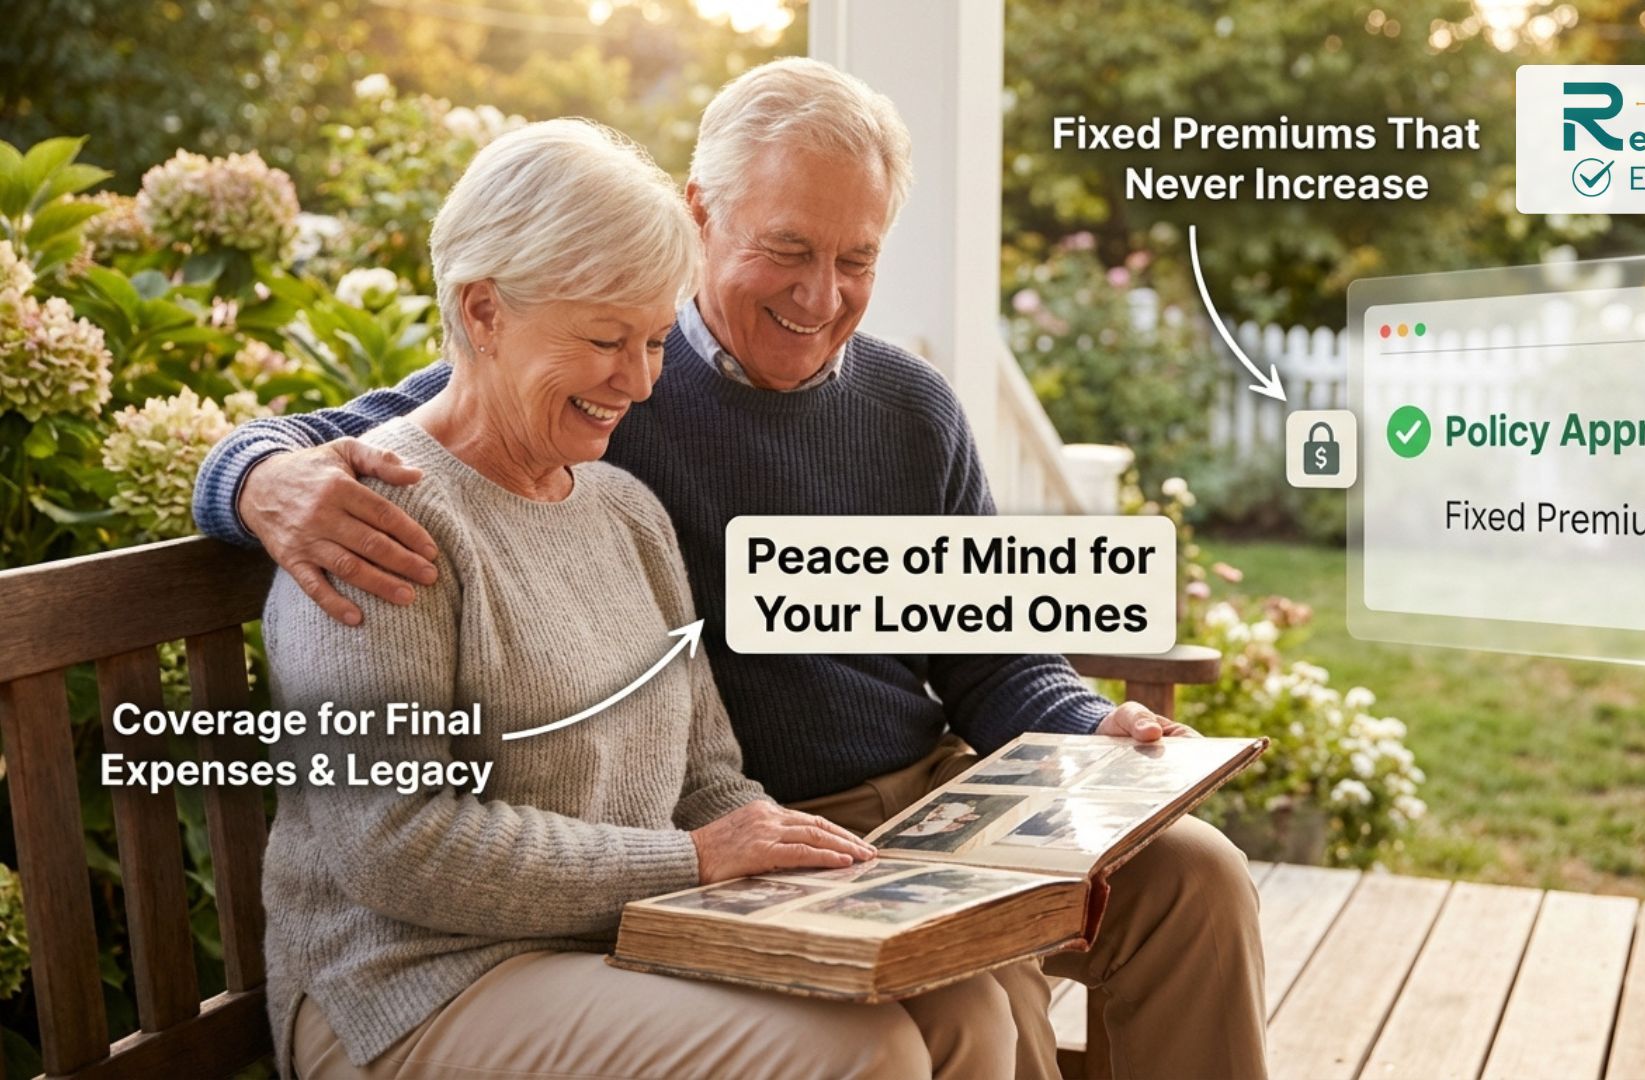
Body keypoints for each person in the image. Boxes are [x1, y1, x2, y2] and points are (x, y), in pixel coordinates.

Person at [199, 59, 1265, 1079]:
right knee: (966, 1001)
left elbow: (989, 653)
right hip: (733, 842)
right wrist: (255, 476)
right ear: (700, 214)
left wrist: (1089, 727)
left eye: (856, 260)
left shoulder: (880, 412)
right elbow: (420, 439)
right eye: (789, 249)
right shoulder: (583, 388)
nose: (822, 294)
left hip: (904, 803)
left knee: (1196, 879)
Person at [259, 117, 1017, 1080]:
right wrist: (694, 863)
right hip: (417, 984)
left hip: (621, 942)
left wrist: (829, 883)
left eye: (657, 339)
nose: (640, 380)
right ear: (484, 312)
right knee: (858, 1053)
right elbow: (396, 844)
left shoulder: (623, 510)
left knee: (963, 1008)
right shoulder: (379, 521)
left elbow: (707, 778)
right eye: (606, 340)